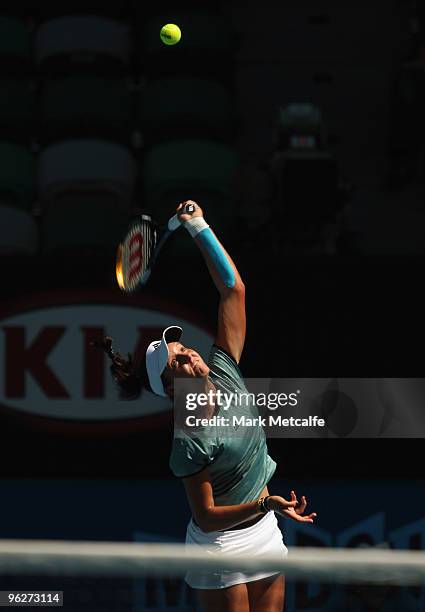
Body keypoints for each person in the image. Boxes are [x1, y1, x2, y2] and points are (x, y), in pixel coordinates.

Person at [99, 201, 317, 612]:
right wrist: (266, 502)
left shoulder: (223, 368)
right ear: (170, 387)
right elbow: (208, 515)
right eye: (176, 362)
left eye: (182, 347)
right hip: (220, 546)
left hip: (265, 531)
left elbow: (233, 290)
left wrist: (198, 226)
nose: (188, 356)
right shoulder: (190, 438)